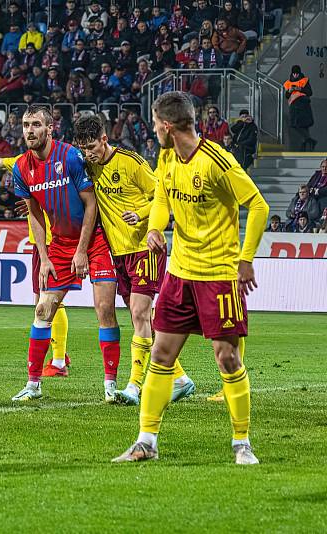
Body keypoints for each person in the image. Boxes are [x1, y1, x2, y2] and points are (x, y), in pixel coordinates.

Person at [113, 91, 269, 465]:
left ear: (167, 125)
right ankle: (146, 441)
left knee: (227, 357)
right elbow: (163, 196)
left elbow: (259, 205)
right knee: (161, 354)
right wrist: (154, 228)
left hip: (219, 276)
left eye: (154, 125)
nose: (153, 131)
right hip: (180, 273)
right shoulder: (167, 156)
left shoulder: (218, 161)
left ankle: (241, 444)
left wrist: (245, 259)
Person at [0, 105, 121, 403]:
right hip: (58, 245)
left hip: (93, 240)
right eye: (26, 125)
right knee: (43, 310)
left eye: (36, 125)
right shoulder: (21, 167)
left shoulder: (69, 156)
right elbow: (35, 216)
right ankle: (33, 384)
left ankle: (110, 386)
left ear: (49, 128)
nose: (29, 130)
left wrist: (82, 251)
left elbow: (91, 204)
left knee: (104, 309)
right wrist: (44, 258)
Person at [73, 115, 196, 406]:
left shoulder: (132, 162)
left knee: (140, 314)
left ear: (104, 139)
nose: (88, 153)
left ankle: (134, 386)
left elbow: (163, 197)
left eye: (92, 146)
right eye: (84, 148)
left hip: (145, 247)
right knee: (142, 319)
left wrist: (140, 214)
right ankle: (180, 379)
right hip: (120, 253)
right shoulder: (88, 165)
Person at [283, 65, 316, 151]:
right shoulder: (288, 83)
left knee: (304, 125)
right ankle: (308, 140)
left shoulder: (304, 81)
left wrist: (300, 89)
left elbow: (309, 92)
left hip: (303, 104)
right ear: (292, 73)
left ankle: (306, 144)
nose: (295, 75)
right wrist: (289, 91)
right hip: (294, 106)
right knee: (294, 125)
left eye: (297, 74)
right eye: (294, 74)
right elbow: (287, 96)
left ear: (299, 73)